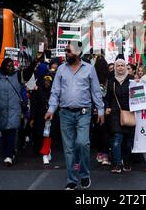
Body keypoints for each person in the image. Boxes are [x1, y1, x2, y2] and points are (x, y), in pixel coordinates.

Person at [45, 42, 105, 190]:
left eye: (68, 51)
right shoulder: (61, 69)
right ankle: (72, 179)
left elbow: (96, 91)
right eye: (65, 51)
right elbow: (55, 91)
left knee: (82, 143)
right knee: (69, 148)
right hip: (65, 113)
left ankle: (84, 175)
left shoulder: (89, 69)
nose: (66, 53)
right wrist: (51, 109)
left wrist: (101, 110)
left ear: (78, 53)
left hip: (84, 113)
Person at [0, 54, 41, 166]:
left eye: (12, 66)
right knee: (4, 132)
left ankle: (9, 156)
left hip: (14, 110)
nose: (10, 68)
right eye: (8, 66)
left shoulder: (18, 76)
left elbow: (28, 72)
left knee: (12, 131)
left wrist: (34, 62)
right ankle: (9, 152)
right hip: (1, 111)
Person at [105, 59, 135, 173]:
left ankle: (126, 161)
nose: (121, 67)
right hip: (115, 114)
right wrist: (107, 107)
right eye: (118, 66)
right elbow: (107, 97)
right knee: (117, 139)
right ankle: (117, 164)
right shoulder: (111, 81)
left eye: (123, 65)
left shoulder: (132, 80)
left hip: (129, 113)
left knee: (128, 141)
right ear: (115, 68)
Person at [30, 73, 55, 164]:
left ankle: (45, 153)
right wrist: (32, 118)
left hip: (51, 117)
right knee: (41, 135)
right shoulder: (38, 91)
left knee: (48, 135)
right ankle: (46, 150)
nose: (46, 83)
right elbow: (34, 105)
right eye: (45, 81)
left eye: (49, 82)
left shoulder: (54, 92)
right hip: (39, 117)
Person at [92, 55, 112, 166]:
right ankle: (105, 154)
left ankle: (99, 153)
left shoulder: (92, 79)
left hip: (95, 110)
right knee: (106, 132)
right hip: (106, 109)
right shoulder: (109, 80)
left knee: (97, 131)